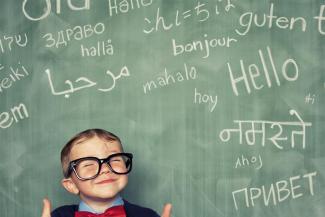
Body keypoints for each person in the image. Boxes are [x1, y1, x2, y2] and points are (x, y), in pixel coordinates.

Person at [41, 128, 172, 217]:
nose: (105, 169)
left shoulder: (146, 216)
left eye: (114, 159)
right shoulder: (59, 216)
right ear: (71, 185)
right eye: (89, 164)